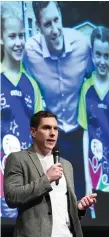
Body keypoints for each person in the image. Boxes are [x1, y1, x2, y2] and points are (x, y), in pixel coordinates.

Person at [23, 1, 93, 199]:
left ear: (61, 16)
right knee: (54, 196)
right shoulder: (30, 53)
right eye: (47, 24)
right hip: (51, 136)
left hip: (81, 132)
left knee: (82, 195)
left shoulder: (82, 45)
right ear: (38, 26)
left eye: (56, 20)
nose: (54, 30)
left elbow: (95, 81)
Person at [4, 110, 97, 237]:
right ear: (33, 132)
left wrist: (79, 208)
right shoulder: (18, 159)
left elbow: (61, 209)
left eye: (55, 128)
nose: (52, 133)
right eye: (47, 128)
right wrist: (47, 179)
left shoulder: (66, 165)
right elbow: (12, 197)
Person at [0, 7, 43, 218]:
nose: (18, 42)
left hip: (27, 183)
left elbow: (41, 141)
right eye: (12, 36)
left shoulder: (31, 85)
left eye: (21, 36)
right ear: (1, 39)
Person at [78, 26, 109, 219]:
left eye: (107, 55)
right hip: (97, 176)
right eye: (98, 54)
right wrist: (88, 181)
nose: (103, 61)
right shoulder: (86, 89)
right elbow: (86, 134)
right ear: (92, 53)